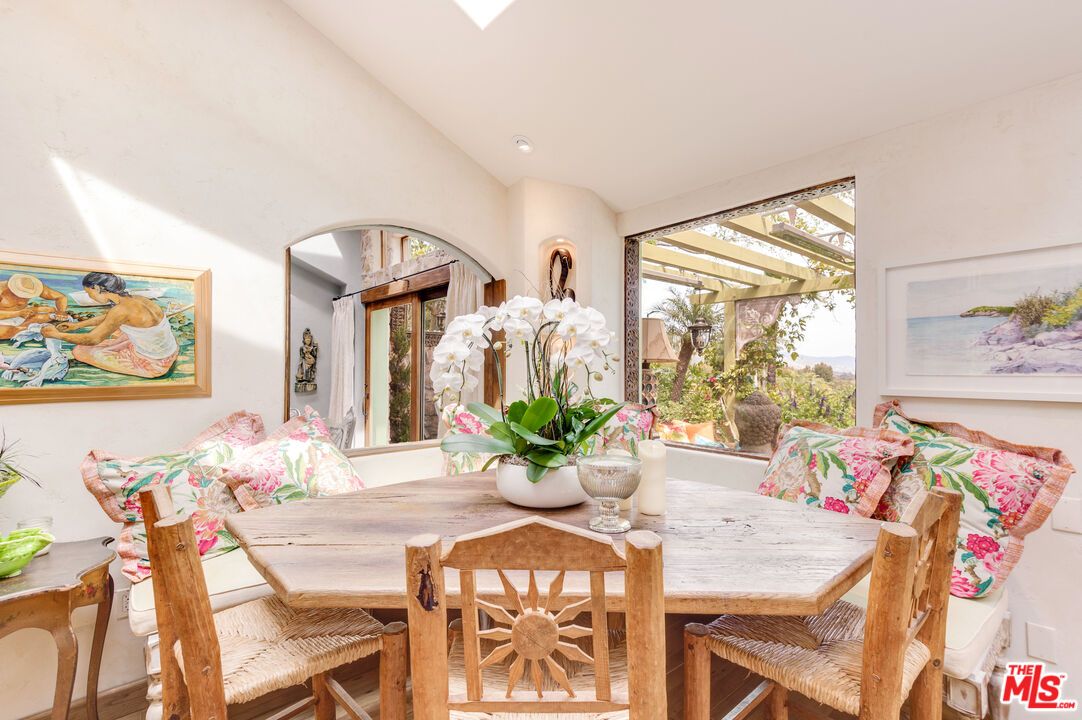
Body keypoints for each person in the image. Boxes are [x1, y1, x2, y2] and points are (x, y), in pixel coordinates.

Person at [41, 272, 179, 379]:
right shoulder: (137, 299)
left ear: (97, 288)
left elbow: (92, 339)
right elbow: (109, 319)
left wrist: (56, 335)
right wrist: (77, 326)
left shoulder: (120, 310)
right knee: (119, 332)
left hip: (154, 363)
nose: (91, 298)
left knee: (80, 351)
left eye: (90, 293)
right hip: (170, 350)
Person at [0, 273, 70, 340]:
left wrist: (61, 311)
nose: (23, 299)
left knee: (50, 310)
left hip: (21, 317)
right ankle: (33, 329)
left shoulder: (32, 287)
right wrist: (18, 313)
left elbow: (61, 297)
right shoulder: (1, 289)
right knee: (5, 331)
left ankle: (28, 328)